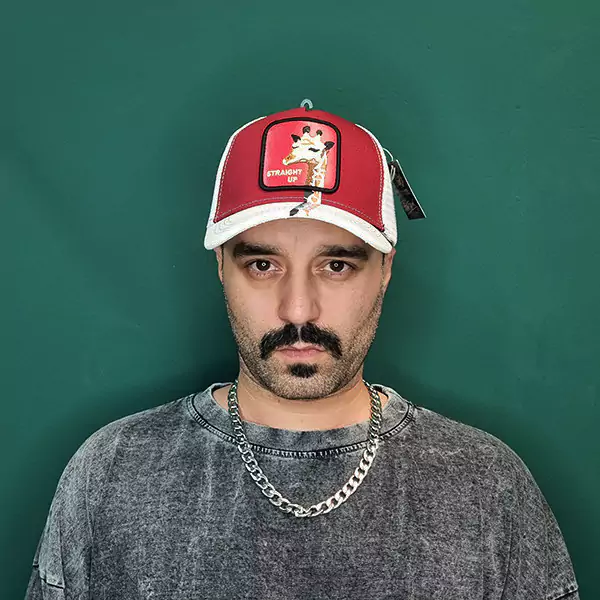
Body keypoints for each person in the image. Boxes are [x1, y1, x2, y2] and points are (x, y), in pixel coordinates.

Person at [25, 104, 580, 600]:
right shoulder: (111, 474)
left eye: (336, 265)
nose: (298, 310)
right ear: (221, 268)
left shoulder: (486, 487)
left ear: (385, 271)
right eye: (262, 264)